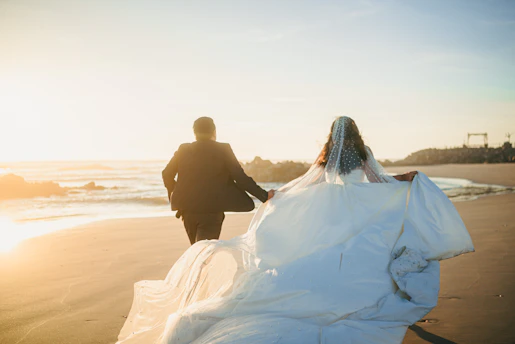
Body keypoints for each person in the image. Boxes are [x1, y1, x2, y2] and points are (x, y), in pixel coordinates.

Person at [119, 116, 474, 344]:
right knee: (362, 247)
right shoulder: (361, 149)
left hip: (326, 206)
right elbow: (377, 179)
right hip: (356, 205)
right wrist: (403, 180)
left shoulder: (327, 152)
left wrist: (277, 196)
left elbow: (307, 183)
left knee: (324, 246)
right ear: (356, 133)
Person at [162, 117, 274, 244]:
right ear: (214, 132)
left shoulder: (183, 149)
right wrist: (264, 195)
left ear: (194, 133)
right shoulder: (223, 149)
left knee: (197, 250)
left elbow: (166, 174)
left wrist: (177, 193)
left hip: (188, 210)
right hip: (211, 211)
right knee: (204, 252)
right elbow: (240, 177)